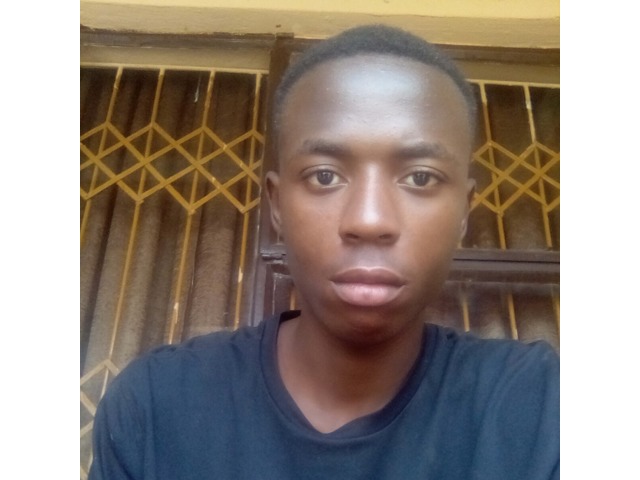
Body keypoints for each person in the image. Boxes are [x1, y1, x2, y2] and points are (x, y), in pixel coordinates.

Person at [89, 25, 559, 479]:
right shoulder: (155, 409)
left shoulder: (542, 407)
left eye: (420, 177)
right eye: (325, 176)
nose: (369, 220)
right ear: (276, 206)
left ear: (464, 212)